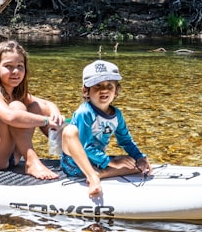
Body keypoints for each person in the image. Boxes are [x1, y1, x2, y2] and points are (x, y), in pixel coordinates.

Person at [0, 40, 63, 180]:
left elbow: (47, 105)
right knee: (17, 107)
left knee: (35, 107)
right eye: (8, 66)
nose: (15, 72)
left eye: (20, 66)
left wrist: (55, 113)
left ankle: (67, 153)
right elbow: (10, 117)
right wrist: (45, 120)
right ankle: (31, 161)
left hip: (12, 156)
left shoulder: (16, 94)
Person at [59, 59, 151, 198]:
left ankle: (101, 174)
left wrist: (140, 157)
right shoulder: (85, 113)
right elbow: (85, 147)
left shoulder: (117, 115)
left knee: (138, 166)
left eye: (109, 86)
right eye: (97, 85)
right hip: (74, 163)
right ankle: (93, 177)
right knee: (69, 131)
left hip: (97, 161)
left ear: (116, 91)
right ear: (86, 91)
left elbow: (126, 140)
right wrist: (112, 162)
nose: (104, 90)